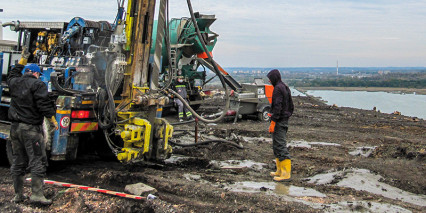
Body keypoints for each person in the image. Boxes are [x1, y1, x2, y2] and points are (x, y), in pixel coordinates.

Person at [7, 47, 58, 205]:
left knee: (18, 162)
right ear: (36, 73)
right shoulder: (38, 85)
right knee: (37, 161)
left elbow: (13, 73)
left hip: (15, 129)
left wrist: (22, 60)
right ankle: (36, 195)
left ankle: (18, 195)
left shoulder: (15, 82)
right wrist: (52, 121)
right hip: (31, 130)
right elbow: (44, 106)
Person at [267, 69, 294, 181]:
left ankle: (286, 174)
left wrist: (273, 121)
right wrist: (287, 115)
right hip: (283, 119)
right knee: (276, 145)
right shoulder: (284, 86)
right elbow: (291, 106)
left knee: (280, 145)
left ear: (274, 78)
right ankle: (279, 170)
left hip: (279, 121)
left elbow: (277, 107)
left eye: (270, 78)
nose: (269, 81)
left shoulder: (278, 89)